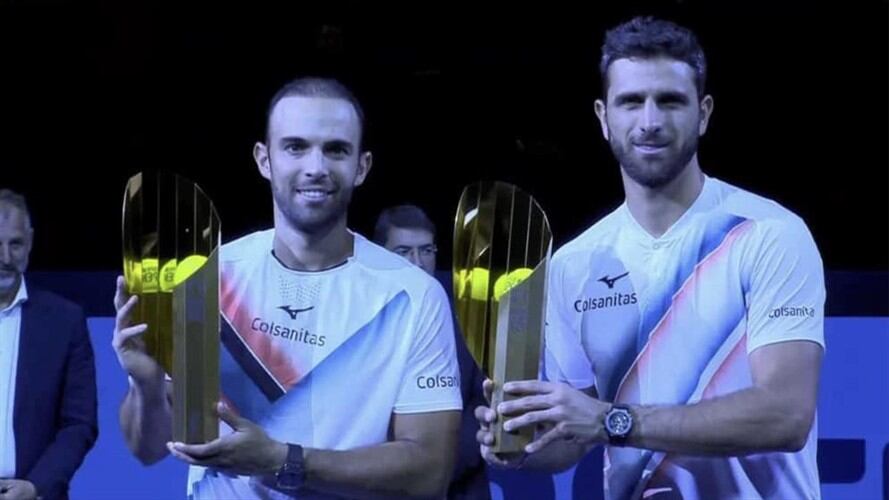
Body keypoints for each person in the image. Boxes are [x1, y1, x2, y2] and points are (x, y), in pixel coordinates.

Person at [475, 16, 825, 500]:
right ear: (602, 117)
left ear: (703, 113)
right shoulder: (575, 264)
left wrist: (611, 420)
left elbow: (786, 415)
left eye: (670, 101)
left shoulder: (768, 235)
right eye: (631, 101)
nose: (650, 121)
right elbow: (571, 440)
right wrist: (520, 443)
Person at [113, 77, 462, 499]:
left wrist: (282, 460)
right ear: (264, 159)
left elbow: (429, 470)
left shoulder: (414, 295)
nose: (316, 167)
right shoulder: (207, 280)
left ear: (362, 166)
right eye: (295, 147)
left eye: (335, 149)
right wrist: (147, 386)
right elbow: (148, 449)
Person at [374, 204, 491, 500]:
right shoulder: (359, 310)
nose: (418, 262)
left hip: (459, 483)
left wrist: (436, 468)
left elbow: (484, 396)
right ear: (379, 254)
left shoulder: (468, 307)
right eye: (403, 252)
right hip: (377, 481)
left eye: (426, 250)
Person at [0, 189, 98, 500]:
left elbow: (79, 424)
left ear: (29, 242)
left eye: (14, 244)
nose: (5, 257)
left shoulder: (64, 321)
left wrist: (36, 486)